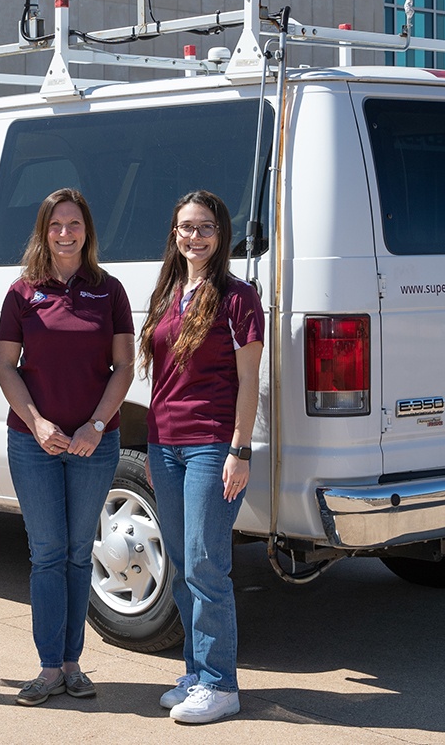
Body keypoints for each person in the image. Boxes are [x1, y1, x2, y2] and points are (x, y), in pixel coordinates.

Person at [0, 188, 135, 706]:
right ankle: (48, 667)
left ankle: (74, 665)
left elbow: (125, 366)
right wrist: (37, 423)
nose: (65, 233)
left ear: (87, 231)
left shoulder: (110, 290)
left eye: (74, 224)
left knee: (80, 553)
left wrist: (95, 425)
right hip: (34, 442)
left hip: (93, 442)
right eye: (56, 225)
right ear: (43, 231)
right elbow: (5, 366)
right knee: (47, 553)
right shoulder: (23, 292)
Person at [138, 190, 263, 725]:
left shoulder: (237, 298)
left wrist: (240, 448)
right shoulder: (168, 293)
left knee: (207, 561)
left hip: (213, 444)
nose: (195, 237)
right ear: (174, 233)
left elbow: (250, 380)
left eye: (205, 228)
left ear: (222, 234)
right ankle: (195, 672)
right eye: (186, 227)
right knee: (184, 564)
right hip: (164, 445)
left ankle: (220, 684)